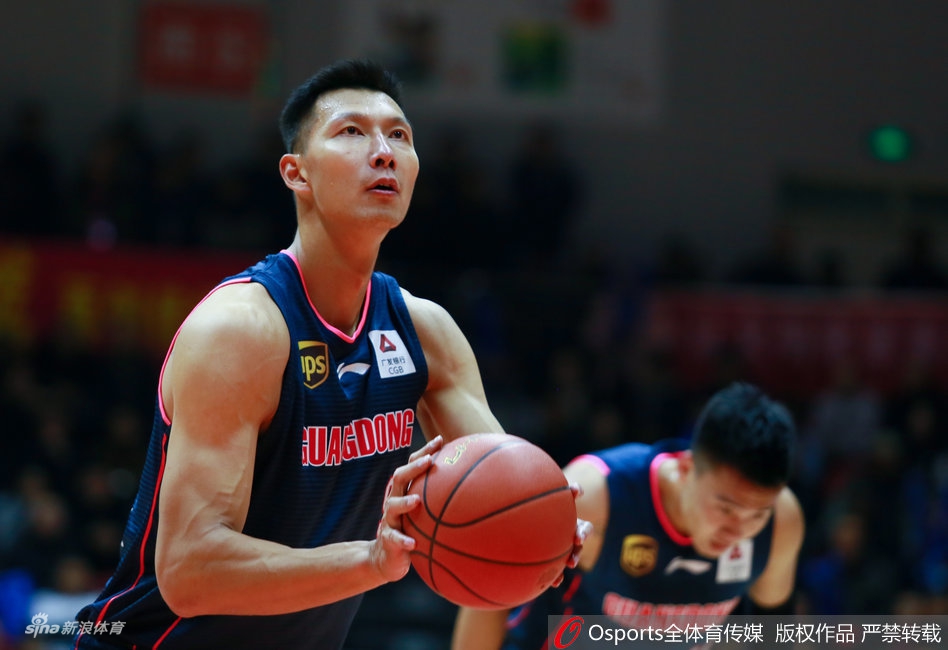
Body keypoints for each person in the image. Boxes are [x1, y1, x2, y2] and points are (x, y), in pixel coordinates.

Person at [74, 59, 581, 650]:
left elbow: (499, 487)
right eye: (352, 132)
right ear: (297, 173)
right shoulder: (242, 330)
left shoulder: (427, 333)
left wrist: (544, 528)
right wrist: (370, 560)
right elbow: (190, 570)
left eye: (400, 135)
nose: (384, 152)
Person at [453, 382, 805, 650]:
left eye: (757, 515)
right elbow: (490, 590)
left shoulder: (781, 523)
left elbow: (772, 629)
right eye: (726, 508)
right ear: (686, 469)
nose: (738, 530)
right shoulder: (593, 498)